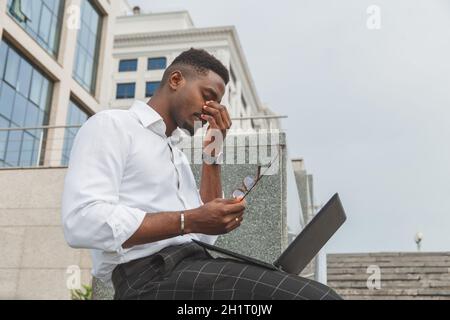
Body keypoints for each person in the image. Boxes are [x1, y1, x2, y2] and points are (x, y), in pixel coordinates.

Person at [61, 48, 341, 300]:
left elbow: (204, 236)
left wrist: (212, 157)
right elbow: (81, 221)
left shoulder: (177, 156)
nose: (212, 109)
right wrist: (189, 219)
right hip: (149, 278)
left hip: (192, 268)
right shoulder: (112, 125)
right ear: (175, 80)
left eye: (218, 102)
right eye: (207, 96)